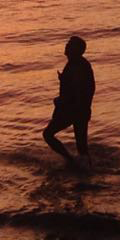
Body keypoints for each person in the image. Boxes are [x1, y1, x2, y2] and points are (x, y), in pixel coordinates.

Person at [42, 35, 95, 168]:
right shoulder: (76, 63)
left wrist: (62, 102)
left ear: (77, 50)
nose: (66, 46)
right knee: (82, 148)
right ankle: (84, 168)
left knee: (48, 134)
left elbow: (79, 91)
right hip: (79, 110)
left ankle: (70, 161)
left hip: (74, 110)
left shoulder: (78, 66)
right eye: (68, 43)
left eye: (70, 44)